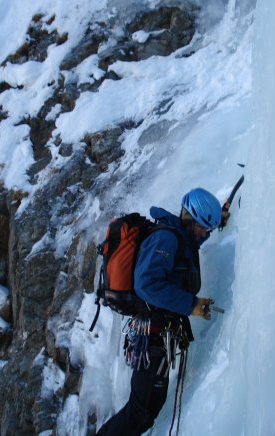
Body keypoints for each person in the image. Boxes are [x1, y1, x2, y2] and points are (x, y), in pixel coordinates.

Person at [96, 187, 222, 436]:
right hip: (149, 335)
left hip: (155, 336)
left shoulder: (181, 238)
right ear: (188, 217)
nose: (205, 235)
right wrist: (191, 305)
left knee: (144, 413)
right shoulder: (168, 239)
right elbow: (146, 284)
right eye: (202, 228)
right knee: (139, 411)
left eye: (209, 230)